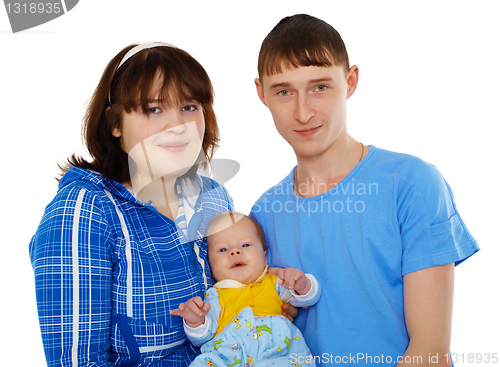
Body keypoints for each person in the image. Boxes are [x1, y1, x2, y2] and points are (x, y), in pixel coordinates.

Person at [250, 14, 479, 367]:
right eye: (284, 91)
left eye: (320, 87)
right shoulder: (263, 214)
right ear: (261, 94)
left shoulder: (411, 184)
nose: (303, 111)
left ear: (351, 81)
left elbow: (429, 350)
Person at [29, 42, 234, 366]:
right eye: (154, 109)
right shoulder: (83, 211)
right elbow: (79, 362)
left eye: (190, 107)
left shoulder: (212, 196)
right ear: (114, 123)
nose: (177, 126)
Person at [170, 211, 321, 366]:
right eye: (222, 249)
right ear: (210, 264)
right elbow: (202, 336)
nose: (235, 251)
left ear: (264, 255)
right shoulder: (215, 295)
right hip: (228, 355)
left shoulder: (276, 282)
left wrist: (302, 284)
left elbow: (307, 298)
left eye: (245, 245)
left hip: (278, 351)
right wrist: (195, 321)